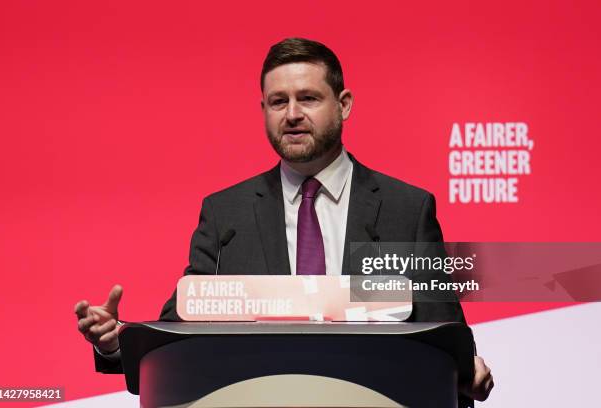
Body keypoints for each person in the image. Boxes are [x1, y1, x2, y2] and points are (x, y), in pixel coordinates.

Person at [75, 37, 493, 402]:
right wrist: (117, 342)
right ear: (263, 110)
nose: (292, 114)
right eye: (278, 102)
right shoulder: (227, 214)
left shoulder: (407, 208)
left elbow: (447, 335)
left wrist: (465, 369)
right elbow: (177, 331)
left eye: (308, 98)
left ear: (343, 105)